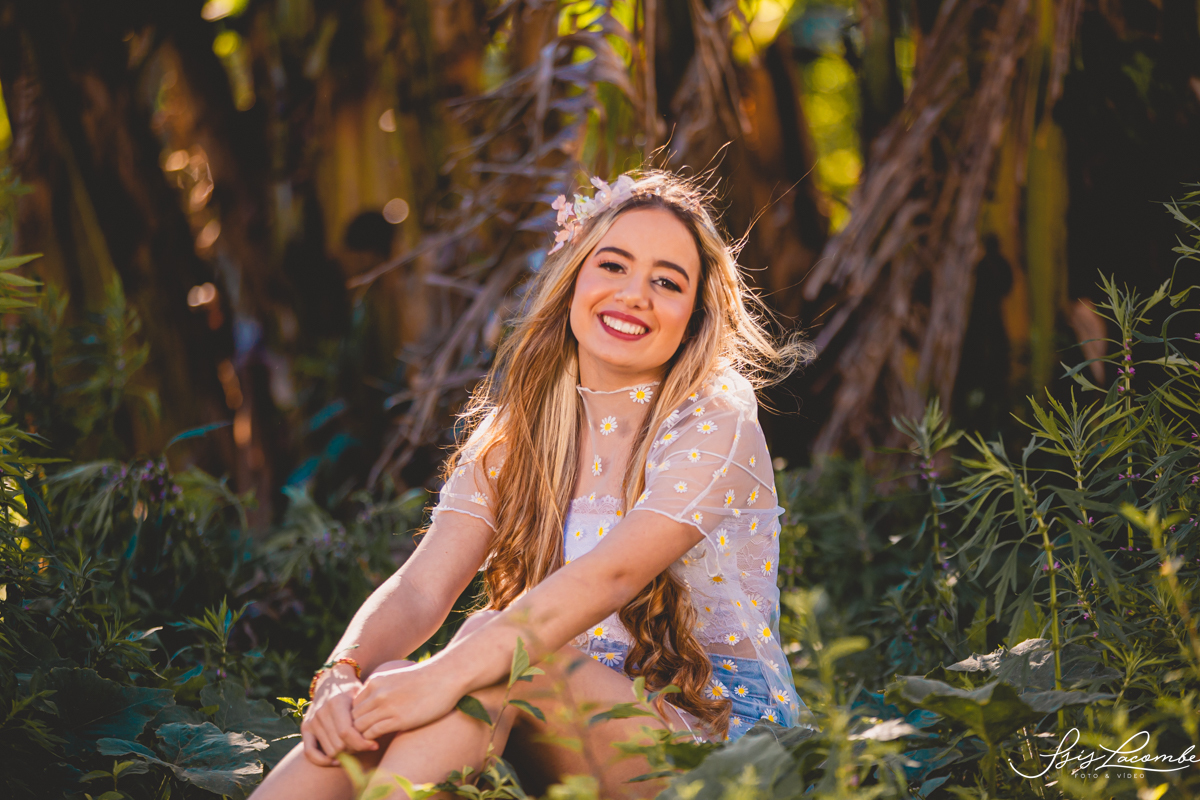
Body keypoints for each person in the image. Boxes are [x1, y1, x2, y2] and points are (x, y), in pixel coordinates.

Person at [251, 170, 814, 800]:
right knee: (393, 688)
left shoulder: (714, 419)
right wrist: (343, 672)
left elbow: (612, 575)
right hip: (569, 718)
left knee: (495, 655)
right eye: (613, 265)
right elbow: (419, 587)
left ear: (694, 316)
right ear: (573, 278)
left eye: (667, 282)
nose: (634, 294)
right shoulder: (518, 433)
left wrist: (443, 675)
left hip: (721, 742)